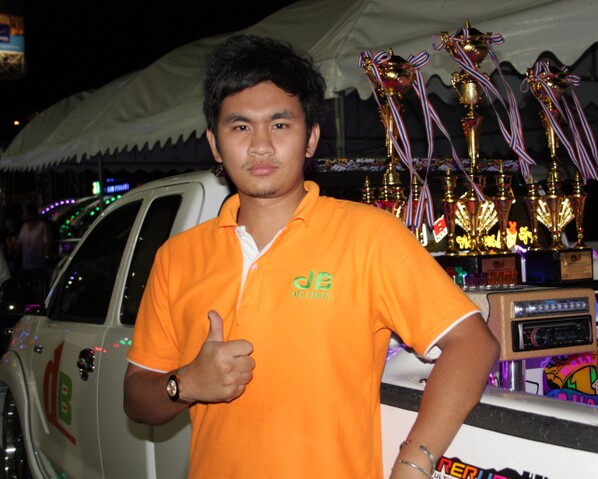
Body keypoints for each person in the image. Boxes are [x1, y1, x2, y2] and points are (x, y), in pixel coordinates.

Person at [123, 34, 499, 479]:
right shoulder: (178, 256)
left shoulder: (369, 236)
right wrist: (185, 384)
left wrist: (413, 463)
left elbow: (472, 343)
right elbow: (136, 397)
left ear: (311, 138)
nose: (261, 146)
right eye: (240, 127)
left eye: (280, 125)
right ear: (215, 143)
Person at [16, 204, 51, 273]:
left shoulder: (42, 226)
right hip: (26, 264)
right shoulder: (24, 227)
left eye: (24, 213)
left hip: (39, 263)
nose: (23, 215)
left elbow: (47, 243)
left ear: (30, 214)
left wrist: (47, 257)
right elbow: (20, 243)